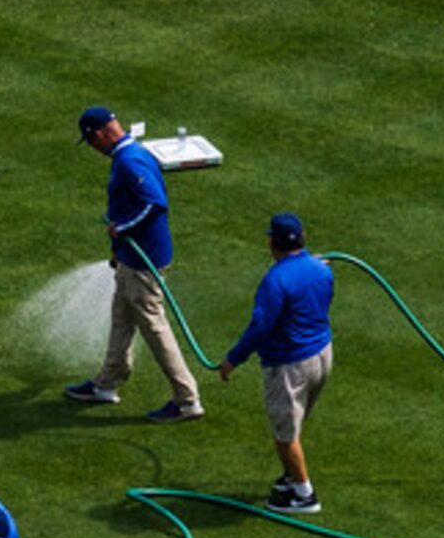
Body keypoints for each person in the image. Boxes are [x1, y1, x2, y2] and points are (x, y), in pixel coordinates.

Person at [61, 106, 203, 421]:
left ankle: (186, 399)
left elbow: (155, 203)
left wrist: (120, 229)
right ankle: (106, 383)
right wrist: (118, 247)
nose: (94, 149)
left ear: (98, 135)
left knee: (154, 326)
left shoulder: (129, 161)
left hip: (143, 261)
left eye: (91, 142)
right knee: (121, 317)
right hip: (132, 256)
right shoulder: (132, 154)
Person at [217, 211, 335, 514]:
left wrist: (233, 359)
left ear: (274, 243)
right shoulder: (322, 270)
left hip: (290, 365)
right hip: (322, 356)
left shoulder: (275, 280)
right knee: (295, 420)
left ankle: (304, 495)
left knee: (285, 435)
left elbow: (261, 326)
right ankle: (289, 476)